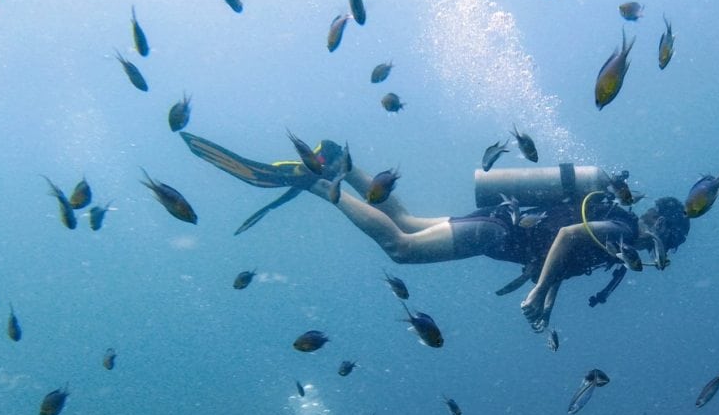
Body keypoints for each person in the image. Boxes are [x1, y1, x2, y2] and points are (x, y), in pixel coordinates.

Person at [181, 132, 691, 330]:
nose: (663, 251)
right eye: (670, 241)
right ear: (661, 226)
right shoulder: (620, 227)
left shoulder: (617, 233)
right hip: (497, 234)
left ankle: (345, 163)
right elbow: (565, 240)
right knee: (400, 249)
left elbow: (562, 250)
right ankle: (321, 187)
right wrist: (539, 291)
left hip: (504, 224)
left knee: (402, 220)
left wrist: (548, 295)